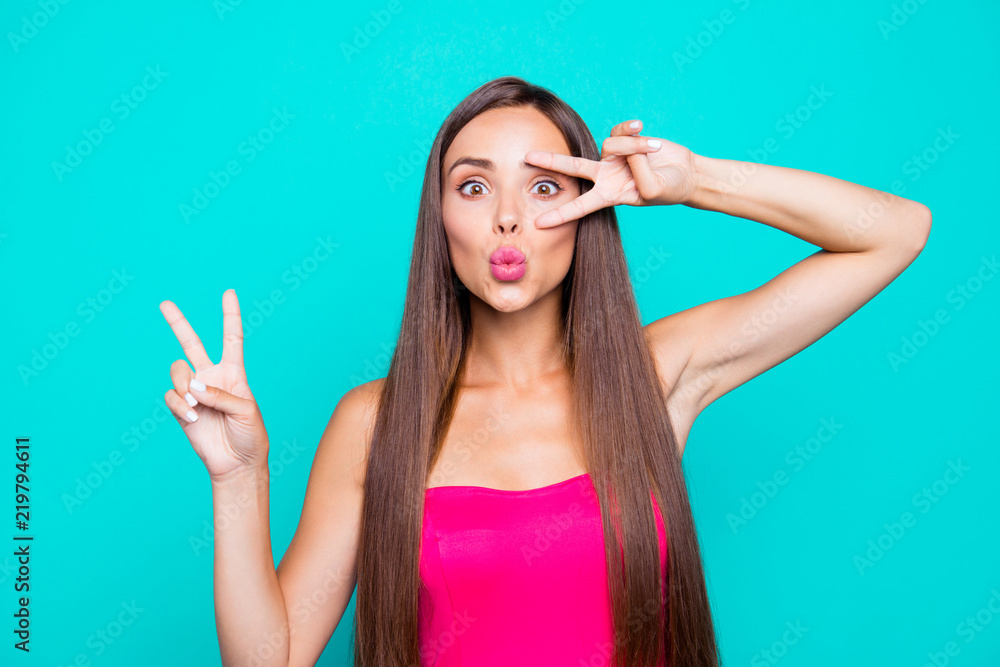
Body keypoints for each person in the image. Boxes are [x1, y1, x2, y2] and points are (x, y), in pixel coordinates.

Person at [159, 76, 931, 667]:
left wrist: (694, 183)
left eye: (543, 186)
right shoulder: (374, 423)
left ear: (587, 207)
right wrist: (238, 481)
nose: (507, 217)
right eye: (473, 185)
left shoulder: (655, 375)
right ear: (440, 218)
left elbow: (893, 233)